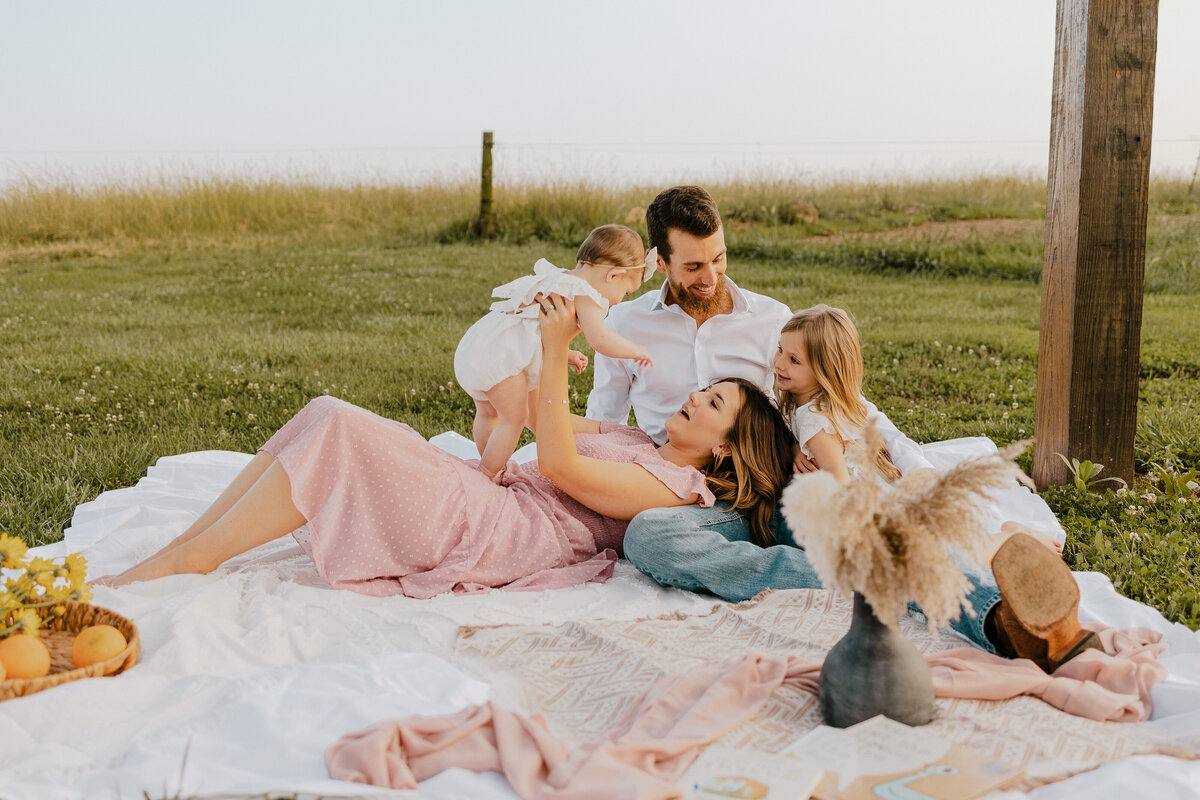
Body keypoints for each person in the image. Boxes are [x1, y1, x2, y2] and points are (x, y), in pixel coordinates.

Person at [589, 185, 1098, 672]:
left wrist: (801, 450)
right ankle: (850, 571)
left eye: (719, 258)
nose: (711, 276)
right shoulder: (626, 324)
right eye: (694, 266)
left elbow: (818, 396)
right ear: (660, 261)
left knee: (871, 527)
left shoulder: (770, 319)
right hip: (691, 491)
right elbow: (605, 418)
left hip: (775, 478)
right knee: (647, 537)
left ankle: (1005, 622)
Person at [100, 293, 797, 600]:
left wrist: (556, 355)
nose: (691, 397)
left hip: (501, 530)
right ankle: (187, 549)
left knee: (341, 426)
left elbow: (556, 463)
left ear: (726, 453)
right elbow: (532, 424)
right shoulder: (629, 437)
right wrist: (508, 380)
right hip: (487, 491)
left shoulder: (673, 493)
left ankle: (193, 558)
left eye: (711, 405)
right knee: (322, 411)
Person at [455, 224, 656, 481]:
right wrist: (636, 350)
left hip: (479, 347)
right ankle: (487, 474)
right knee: (514, 420)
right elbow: (600, 339)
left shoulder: (559, 277)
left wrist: (567, 353)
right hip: (504, 361)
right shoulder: (587, 295)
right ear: (614, 275)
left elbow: (534, 329)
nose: (620, 300)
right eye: (626, 293)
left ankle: (486, 464)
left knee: (487, 413)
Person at [775, 304, 906, 485]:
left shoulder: (814, 421)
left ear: (824, 370)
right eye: (780, 349)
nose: (779, 364)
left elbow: (839, 480)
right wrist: (795, 449)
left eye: (794, 360)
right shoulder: (825, 403)